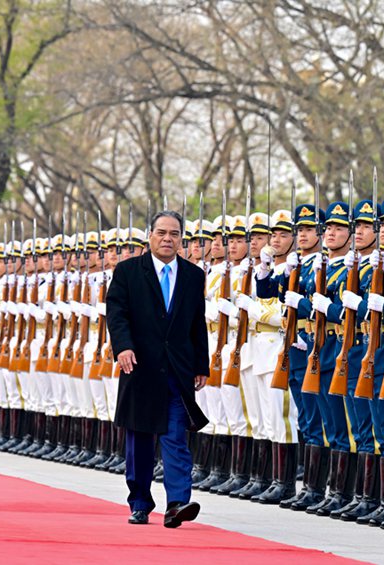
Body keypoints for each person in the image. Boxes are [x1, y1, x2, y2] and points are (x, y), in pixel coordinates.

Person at [106, 210, 209, 528]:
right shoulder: (128, 272)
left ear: (182, 239)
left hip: (177, 369)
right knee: (139, 438)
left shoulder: (193, 275)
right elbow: (117, 312)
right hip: (140, 366)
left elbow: (197, 322)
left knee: (176, 436)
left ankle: (178, 502)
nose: (168, 239)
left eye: (174, 234)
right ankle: (139, 502)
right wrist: (122, 346)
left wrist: (201, 364)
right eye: (162, 232)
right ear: (150, 236)